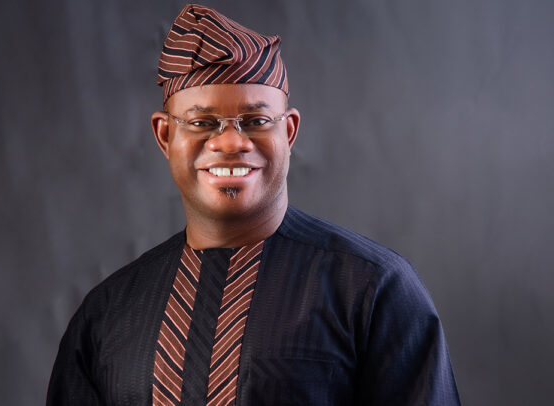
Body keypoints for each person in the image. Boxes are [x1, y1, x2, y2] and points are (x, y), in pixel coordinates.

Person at [47, 4, 461, 405]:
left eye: (256, 121)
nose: (230, 142)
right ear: (165, 136)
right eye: (202, 123)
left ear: (289, 132)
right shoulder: (108, 311)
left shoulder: (372, 289)